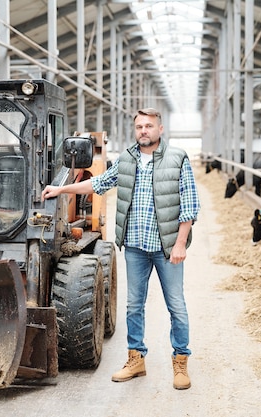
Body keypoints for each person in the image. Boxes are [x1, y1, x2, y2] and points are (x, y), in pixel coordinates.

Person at [41, 108, 200, 390]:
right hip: (136, 247)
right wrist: (60, 189)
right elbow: (99, 183)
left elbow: (189, 206)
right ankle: (136, 359)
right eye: (139, 126)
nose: (143, 131)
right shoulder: (127, 159)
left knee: (176, 305)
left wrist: (179, 244)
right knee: (133, 306)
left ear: (159, 130)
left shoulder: (178, 159)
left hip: (166, 249)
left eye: (149, 126)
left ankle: (180, 362)